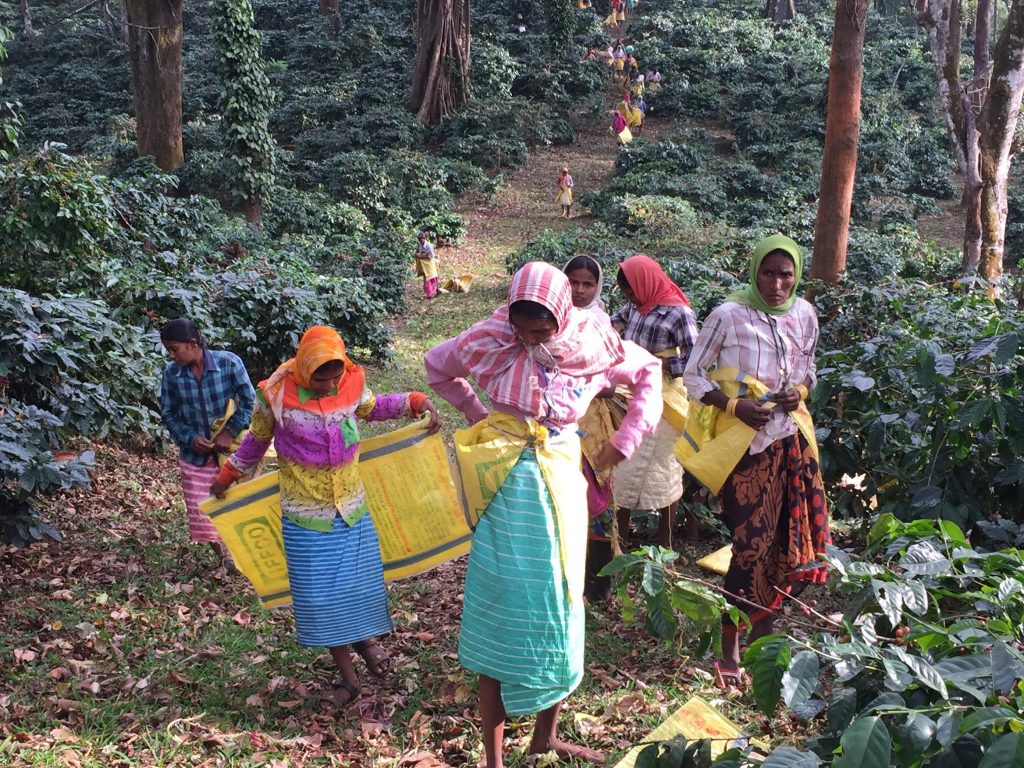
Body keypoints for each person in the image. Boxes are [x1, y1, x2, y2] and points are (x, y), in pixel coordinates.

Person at [425, 262, 662, 768]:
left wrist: (624, 442)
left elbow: (648, 373)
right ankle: (492, 756)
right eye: (523, 329)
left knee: (561, 599)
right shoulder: (491, 337)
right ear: (510, 315)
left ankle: (543, 737)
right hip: (503, 484)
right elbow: (437, 365)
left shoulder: (590, 340)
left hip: (559, 478)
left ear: (562, 314)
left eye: (543, 330)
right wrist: (475, 412)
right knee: (501, 601)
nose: (532, 341)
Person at [210, 326, 441, 707]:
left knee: (356, 589)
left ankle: (365, 643)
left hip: (351, 509)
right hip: (304, 515)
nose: (330, 384)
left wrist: (415, 402)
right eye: (322, 377)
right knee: (319, 599)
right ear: (304, 367)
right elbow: (256, 440)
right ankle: (350, 681)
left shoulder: (350, 383)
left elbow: (372, 407)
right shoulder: (276, 393)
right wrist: (228, 474)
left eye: (335, 375)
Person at [682, 235, 831, 690]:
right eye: (769, 272)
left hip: (791, 441)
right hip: (745, 448)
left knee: (787, 541)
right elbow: (691, 376)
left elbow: (810, 371)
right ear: (754, 272)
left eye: (787, 274)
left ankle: (764, 636)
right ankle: (729, 644)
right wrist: (732, 406)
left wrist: (800, 392)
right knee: (750, 543)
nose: (777, 283)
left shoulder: (805, 315)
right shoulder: (728, 316)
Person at [611, 255, 697, 548]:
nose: (631, 298)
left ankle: (665, 539)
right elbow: (610, 327)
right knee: (622, 466)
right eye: (627, 293)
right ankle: (619, 536)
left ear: (646, 283)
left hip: (665, 398)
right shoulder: (635, 307)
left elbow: (694, 358)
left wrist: (661, 366)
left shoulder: (678, 313)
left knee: (664, 468)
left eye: (632, 291)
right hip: (630, 390)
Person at [160, 318, 255, 570]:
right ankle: (226, 557)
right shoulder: (172, 374)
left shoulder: (229, 363)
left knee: (236, 504)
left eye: (174, 349)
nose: (171, 355)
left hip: (233, 451)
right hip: (195, 457)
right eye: (168, 350)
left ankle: (244, 553)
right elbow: (169, 413)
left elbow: (249, 400)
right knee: (203, 509)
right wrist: (190, 438)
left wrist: (230, 430)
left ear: (193, 344)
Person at [563, 255, 616, 602]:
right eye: (573, 283)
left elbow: (614, 378)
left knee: (597, 497)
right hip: (557, 423)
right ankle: (566, 579)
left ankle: (598, 584)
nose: (580, 290)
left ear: (598, 288)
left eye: (588, 284)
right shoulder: (549, 318)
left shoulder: (601, 322)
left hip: (592, 422)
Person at [415, 230, 440, 300]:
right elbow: (417, 252)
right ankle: (429, 293)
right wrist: (417, 254)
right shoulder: (419, 245)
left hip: (429, 264)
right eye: (419, 240)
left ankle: (432, 293)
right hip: (424, 265)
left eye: (421, 240)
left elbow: (431, 256)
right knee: (426, 279)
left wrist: (421, 256)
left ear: (424, 239)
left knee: (431, 278)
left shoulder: (429, 246)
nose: (420, 242)